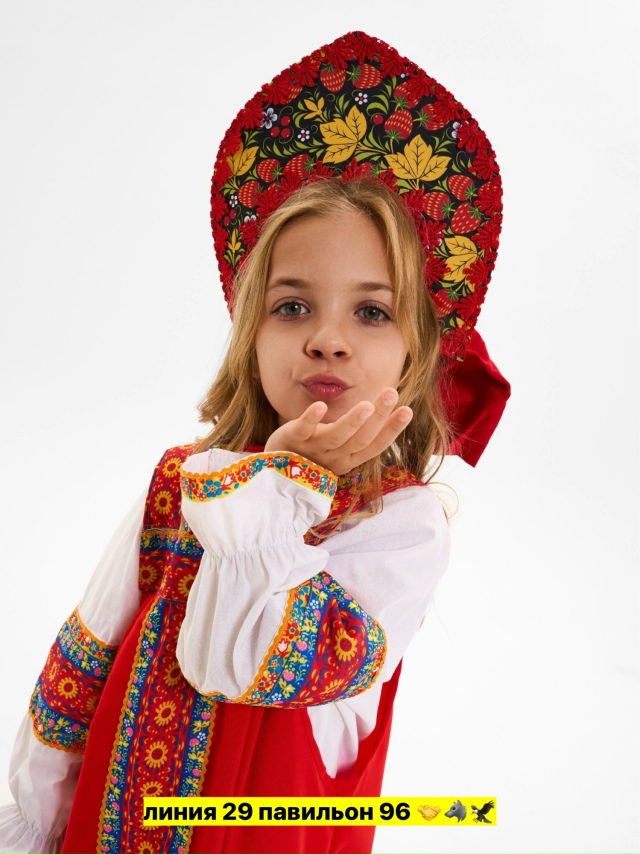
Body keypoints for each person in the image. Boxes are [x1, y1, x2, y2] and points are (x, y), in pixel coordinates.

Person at [0, 31, 509, 854]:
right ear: (251, 333)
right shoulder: (183, 484)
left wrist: (290, 486)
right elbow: (82, 663)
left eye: (371, 312)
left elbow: (238, 666)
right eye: (292, 306)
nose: (327, 339)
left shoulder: (402, 528)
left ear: (416, 350)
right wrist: (37, 820)